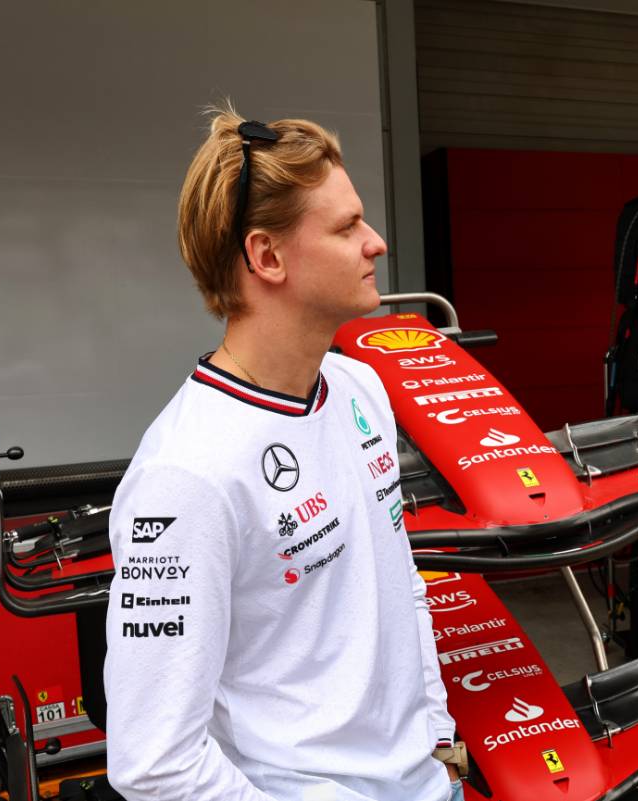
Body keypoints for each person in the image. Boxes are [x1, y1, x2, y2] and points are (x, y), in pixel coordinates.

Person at [104, 105, 465, 801]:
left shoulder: (361, 388)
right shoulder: (185, 474)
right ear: (266, 257)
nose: (378, 243)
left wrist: (441, 750)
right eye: (346, 226)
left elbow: (400, 590)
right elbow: (154, 762)